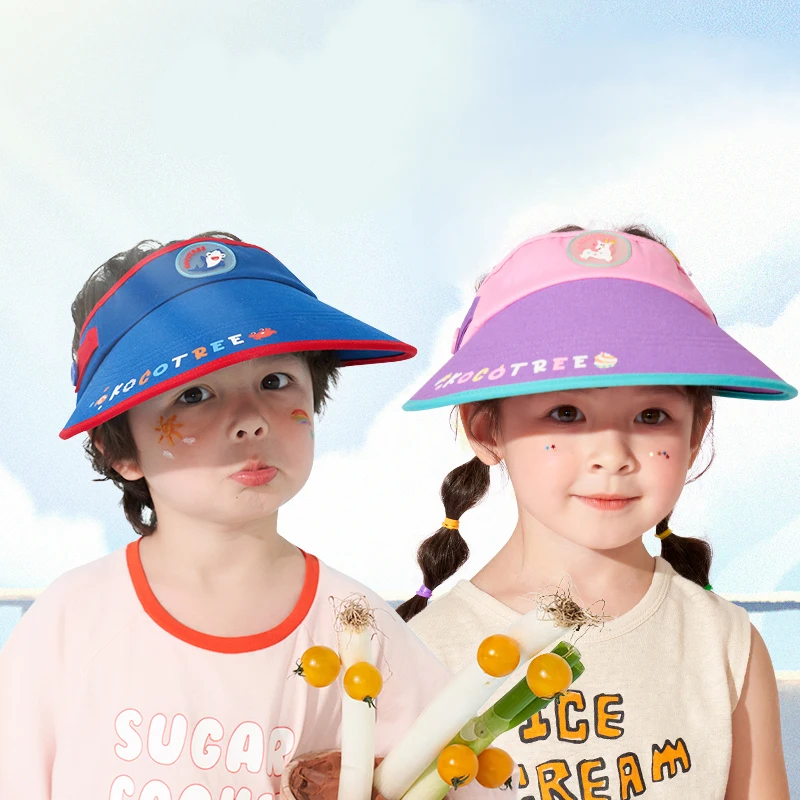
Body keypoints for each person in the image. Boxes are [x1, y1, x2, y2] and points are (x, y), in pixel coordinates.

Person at [0, 232, 493, 799]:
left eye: (275, 381)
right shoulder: (72, 618)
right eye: (192, 394)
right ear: (119, 448)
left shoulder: (356, 626)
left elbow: (462, 778)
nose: (251, 419)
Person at [398, 225, 795, 799]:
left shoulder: (726, 645)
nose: (612, 455)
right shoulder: (424, 653)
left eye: (652, 416)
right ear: (486, 429)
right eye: (566, 413)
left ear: (695, 431)